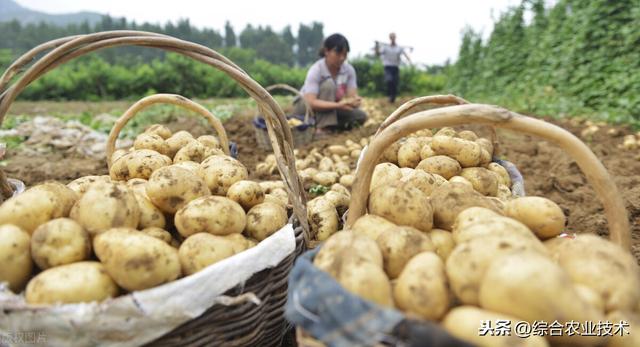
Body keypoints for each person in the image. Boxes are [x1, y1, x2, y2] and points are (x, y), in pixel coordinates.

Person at [293, 33, 367, 135]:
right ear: (326, 51)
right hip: (305, 107)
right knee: (329, 84)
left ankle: (319, 125)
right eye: (338, 54)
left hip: (331, 107)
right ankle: (322, 128)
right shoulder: (317, 69)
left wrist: (354, 101)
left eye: (345, 54)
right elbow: (311, 102)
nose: (342, 58)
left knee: (360, 116)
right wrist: (338, 105)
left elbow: (352, 95)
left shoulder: (349, 70)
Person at [375, 32, 412, 103]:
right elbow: (377, 54)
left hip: (395, 67)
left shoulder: (398, 48)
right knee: (389, 80)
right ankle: (389, 95)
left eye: (393, 37)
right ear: (389, 38)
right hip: (388, 67)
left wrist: (409, 61)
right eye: (391, 37)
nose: (392, 38)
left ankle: (393, 97)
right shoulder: (385, 47)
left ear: (395, 38)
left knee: (395, 83)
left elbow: (405, 54)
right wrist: (376, 45)